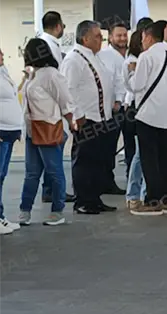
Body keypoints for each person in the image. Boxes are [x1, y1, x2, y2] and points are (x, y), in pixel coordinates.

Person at [61, 20, 120, 215]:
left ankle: (94, 198)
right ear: (85, 38)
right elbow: (68, 90)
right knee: (84, 161)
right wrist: (77, 117)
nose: (100, 40)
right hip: (86, 119)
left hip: (100, 118)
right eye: (97, 36)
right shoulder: (73, 59)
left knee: (97, 161)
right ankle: (83, 200)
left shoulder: (94, 57)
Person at [18, 39, 76, 227]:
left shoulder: (51, 75)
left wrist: (72, 124)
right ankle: (24, 210)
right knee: (31, 173)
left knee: (54, 172)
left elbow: (65, 101)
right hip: (32, 130)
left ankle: (57, 211)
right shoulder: (32, 75)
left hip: (48, 127)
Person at [128, 21, 167, 215]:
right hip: (166, 113)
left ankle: (152, 200)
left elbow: (137, 86)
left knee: (149, 158)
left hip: (147, 114)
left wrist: (130, 72)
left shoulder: (146, 56)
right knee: (164, 156)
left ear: (148, 36)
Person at [37, 11, 76, 204]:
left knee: (49, 150)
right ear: (58, 26)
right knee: (54, 149)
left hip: (45, 106)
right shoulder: (48, 45)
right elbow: (57, 79)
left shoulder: (43, 42)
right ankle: (52, 191)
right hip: (51, 107)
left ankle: (49, 189)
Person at [97, 22, 129, 195]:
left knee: (131, 146)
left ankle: (133, 180)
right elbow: (109, 81)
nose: (122, 38)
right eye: (119, 35)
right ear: (110, 37)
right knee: (109, 146)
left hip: (131, 107)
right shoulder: (104, 55)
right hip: (115, 108)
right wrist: (116, 101)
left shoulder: (132, 54)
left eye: (124, 35)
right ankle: (106, 182)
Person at [123, 31, 147, 211]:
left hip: (144, 108)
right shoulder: (132, 61)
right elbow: (132, 88)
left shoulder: (146, 60)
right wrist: (133, 73)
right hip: (135, 108)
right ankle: (134, 194)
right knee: (139, 154)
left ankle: (143, 193)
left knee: (144, 153)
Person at [0, 48, 23, 234]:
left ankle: (1, 216)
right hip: (1, 132)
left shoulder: (3, 72)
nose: (2, 55)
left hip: (9, 132)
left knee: (1, 176)